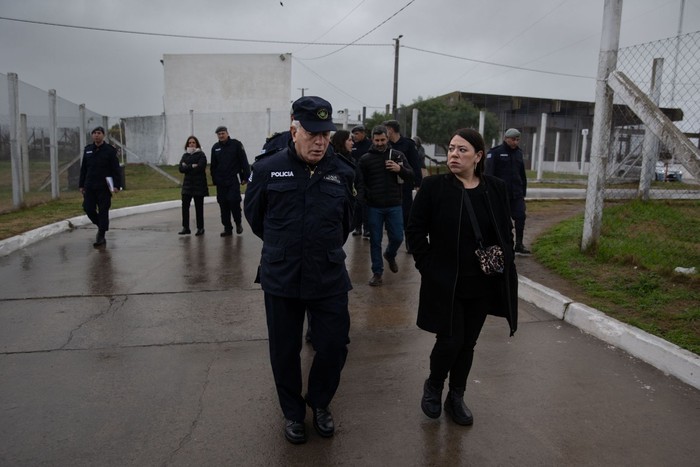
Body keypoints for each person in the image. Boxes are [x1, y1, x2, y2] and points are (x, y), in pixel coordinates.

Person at [243, 96, 355, 445]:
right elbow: (255, 217)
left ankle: (319, 403)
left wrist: (320, 246)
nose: (320, 141)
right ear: (295, 131)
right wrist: (285, 245)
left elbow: (348, 222)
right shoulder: (266, 169)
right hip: (282, 273)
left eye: (325, 134)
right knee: (284, 349)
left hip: (328, 273)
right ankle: (293, 413)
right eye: (312, 133)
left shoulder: (343, 172)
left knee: (334, 345)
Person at [406, 128, 518, 427]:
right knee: (450, 340)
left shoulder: (494, 188)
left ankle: (456, 397)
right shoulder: (433, 187)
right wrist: (426, 266)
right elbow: (415, 230)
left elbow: (505, 230)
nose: (453, 155)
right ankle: (434, 384)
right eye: (452, 149)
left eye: (462, 150)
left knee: (468, 343)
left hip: (481, 282)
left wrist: (503, 257)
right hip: (445, 281)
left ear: (478, 156)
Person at [356, 125, 414, 286]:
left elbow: (411, 175)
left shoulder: (397, 155)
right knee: (375, 240)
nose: (380, 143)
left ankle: (389, 254)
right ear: (372, 140)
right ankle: (377, 272)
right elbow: (361, 182)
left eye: (382, 140)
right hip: (374, 206)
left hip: (395, 204)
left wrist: (399, 169)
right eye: (377, 140)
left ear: (387, 138)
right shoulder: (365, 159)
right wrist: (363, 200)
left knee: (397, 237)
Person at [485, 128, 531, 254]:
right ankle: (502, 244)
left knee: (520, 217)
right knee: (503, 221)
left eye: (517, 140)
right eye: (513, 139)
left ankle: (519, 244)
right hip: (500, 195)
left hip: (516, 193)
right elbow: (489, 174)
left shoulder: (519, 153)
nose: (515, 142)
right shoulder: (495, 152)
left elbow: (522, 174)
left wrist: (523, 191)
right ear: (506, 138)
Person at [79, 126, 122, 248]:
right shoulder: (88, 150)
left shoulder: (109, 150)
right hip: (90, 186)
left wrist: (117, 185)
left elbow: (115, 169)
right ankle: (101, 225)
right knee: (88, 208)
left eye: (99, 133)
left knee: (103, 211)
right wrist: (81, 185)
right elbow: (84, 169)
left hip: (104, 186)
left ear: (103, 135)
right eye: (94, 133)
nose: (96, 135)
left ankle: (101, 235)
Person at [383, 120, 423, 252]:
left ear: (391, 130)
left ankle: (409, 242)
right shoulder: (385, 144)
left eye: (386, 129)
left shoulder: (408, 144)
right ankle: (392, 243)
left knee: (407, 214)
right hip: (389, 185)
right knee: (389, 214)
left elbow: (415, 164)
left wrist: (418, 183)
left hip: (405, 184)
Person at [210, 126, 251, 237]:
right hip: (221, 182)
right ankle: (227, 228)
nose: (221, 136)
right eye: (219, 134)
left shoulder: (236, 144)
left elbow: (244, 161)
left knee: (234, 202)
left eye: (223, 133)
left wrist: (246, 177)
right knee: (223, 205)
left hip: (233, 180)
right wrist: (215, 180)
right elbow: (213, 166)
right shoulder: (215, 148)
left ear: (227, 133)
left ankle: (238, 223)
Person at [177, 136, 209, 236]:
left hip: (199, 185)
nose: (191, 144)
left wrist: (187, 166)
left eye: (193, 142)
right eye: (190, 143)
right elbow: (181, 169)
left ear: (197, 144)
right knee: (185, 207)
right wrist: (192, 166)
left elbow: (200, 167)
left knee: (199, 207)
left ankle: (200, 228)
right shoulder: (185, 155)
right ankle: (185, 227)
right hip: (187, 185)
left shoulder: (201, 155)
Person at [350, 125, 371, 237]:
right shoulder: (353, 145)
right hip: (356, 179)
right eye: (353, 134)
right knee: (357, 204)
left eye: (357, 134)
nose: (355, 136)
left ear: (363, 133)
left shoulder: (370, 145)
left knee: (366, 205)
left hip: (367, 178)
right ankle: (357, 227)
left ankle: (367, 228)